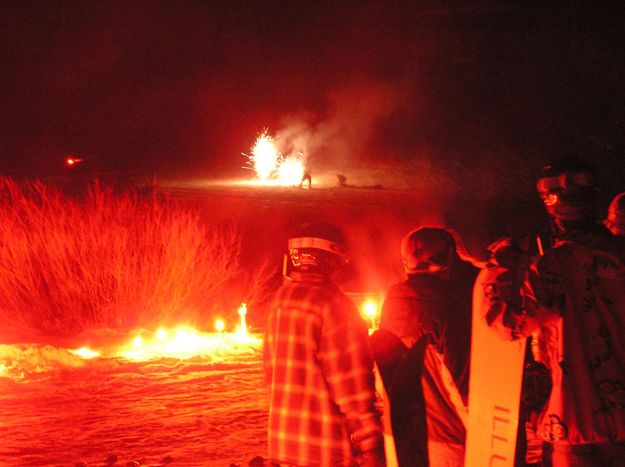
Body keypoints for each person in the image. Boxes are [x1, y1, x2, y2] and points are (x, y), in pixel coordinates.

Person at [512, 157, 625, 466]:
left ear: (554, 208)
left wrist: (499, 266)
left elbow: (508, 326)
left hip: (574, 426)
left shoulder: (552, 266)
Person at [264, 222, 386, 467]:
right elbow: (352, 389)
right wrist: (370, 446)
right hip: (328, 450)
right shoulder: (334, 305)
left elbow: (271, 375)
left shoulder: (280, 301)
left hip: (284, 444)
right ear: (333, 260)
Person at [375, 227, 477, 467]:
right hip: (447, 439)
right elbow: (461, 380)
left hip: (398, 436)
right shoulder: (447, 307)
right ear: (448, 257)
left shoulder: (391, 304)